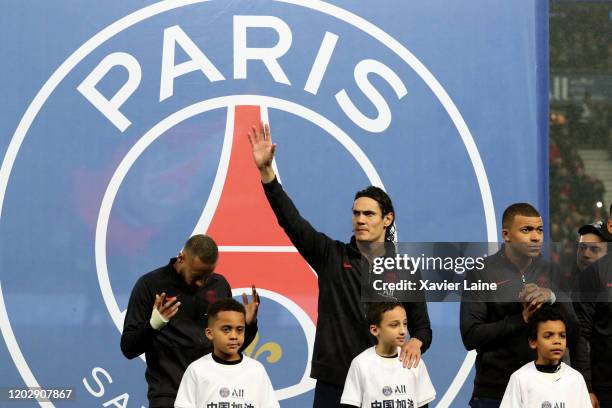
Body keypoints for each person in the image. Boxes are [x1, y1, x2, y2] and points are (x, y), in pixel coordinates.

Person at [247, 122, 432, 407]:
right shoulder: (331, 256)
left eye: (369, 214)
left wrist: (417, 342)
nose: (360, 219)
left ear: (387, 219)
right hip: (335, 382)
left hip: (385, 382)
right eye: (356, 213)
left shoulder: (406, 269)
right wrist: (267, 174)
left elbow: (422, 328)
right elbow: (291, 221)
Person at [460, 203, 579, 408]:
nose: (536, 237)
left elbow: (575, 333)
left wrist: (552, 297)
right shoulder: (482, 272)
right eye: (526, 230)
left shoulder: (553, 272)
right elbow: (471, 336)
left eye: (539, 230)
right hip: (494, 391)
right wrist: (521, 320)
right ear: (506, 234)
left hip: (546, 391)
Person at [120, 234, 260, 408]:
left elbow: (228, 348)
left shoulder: (219, 285)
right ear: (181, 258)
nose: (201, 283)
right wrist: (154, 325)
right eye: (197, 275)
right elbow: (128, 348)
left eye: (207, 276)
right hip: (169, 396)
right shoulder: (149, 285)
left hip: (214, 395)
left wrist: (249, 325)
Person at [174, 298, 278, 408]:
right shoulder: (196, 369)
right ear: (210, 333)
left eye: (239, 329)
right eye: (226, 329)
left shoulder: (256, 370)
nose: (233, 336)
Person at [340, 302, 436, 408]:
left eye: (404, 324)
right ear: (375, 330)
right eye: (394, 325)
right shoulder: (360, 364)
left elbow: (423, 405)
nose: (403, 331)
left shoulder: (414, 361)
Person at [499, 306, 590, 408]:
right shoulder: (520, 378)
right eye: (548, 336)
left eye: (562, 336)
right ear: (533, 342)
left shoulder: (576, 379)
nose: (557, 341)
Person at [573, 204, 612, 408]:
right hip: (602, 388)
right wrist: (586, 388)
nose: (586, 254)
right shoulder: (569, 282)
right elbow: (581, 338)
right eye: (582, 248)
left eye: (594, 249)